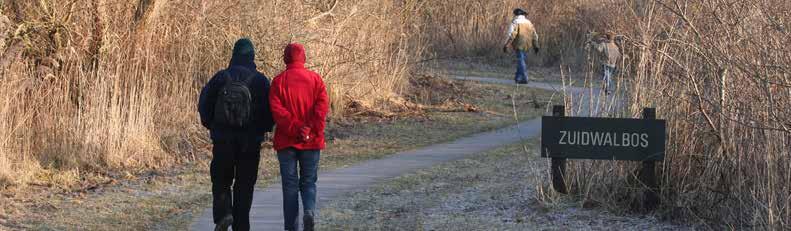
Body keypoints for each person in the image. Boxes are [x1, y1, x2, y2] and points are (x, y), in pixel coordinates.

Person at [198, 38, 274, 231]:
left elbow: (204, 104)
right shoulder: (260, 80)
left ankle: (224, 214)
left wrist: (211, 125)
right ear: (252, 57)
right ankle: (241, 226)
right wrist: (262, 130)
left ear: (233, 55)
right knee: (245, 185)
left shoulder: (221, 77)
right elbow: (269, 113)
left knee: (221, 179)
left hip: (223, 139)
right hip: (250, 143)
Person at [269, 43, 329, 231]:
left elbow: (277, 112)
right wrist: (309, 129)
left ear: (286, 58)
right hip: (311, 141)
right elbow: (322, 108)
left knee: (290, 186)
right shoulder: (316, 80)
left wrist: (296, 128)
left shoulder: (278, 82)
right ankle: (309, 211)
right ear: (303, 58)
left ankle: (291, 227)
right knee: (309, 181)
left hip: (286, 141)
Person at [502, 8, 540, 84]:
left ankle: (525, 77)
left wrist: (506, 45)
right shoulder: (529, 23)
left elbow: (511, 35)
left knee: (520, 60)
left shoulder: (515, 22)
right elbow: (534, 35)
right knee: (521, 60)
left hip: (519, 44)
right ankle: (518, 78)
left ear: (516, 14)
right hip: (527, 45)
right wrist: (536, 46)